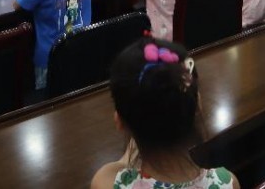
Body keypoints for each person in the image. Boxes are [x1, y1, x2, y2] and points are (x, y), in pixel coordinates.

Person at [91, 38, 239, 189]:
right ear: (198, 106)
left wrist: (131, 146)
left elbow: (119, 167)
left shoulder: (106, 182)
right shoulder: (226, 183)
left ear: (119, 121)